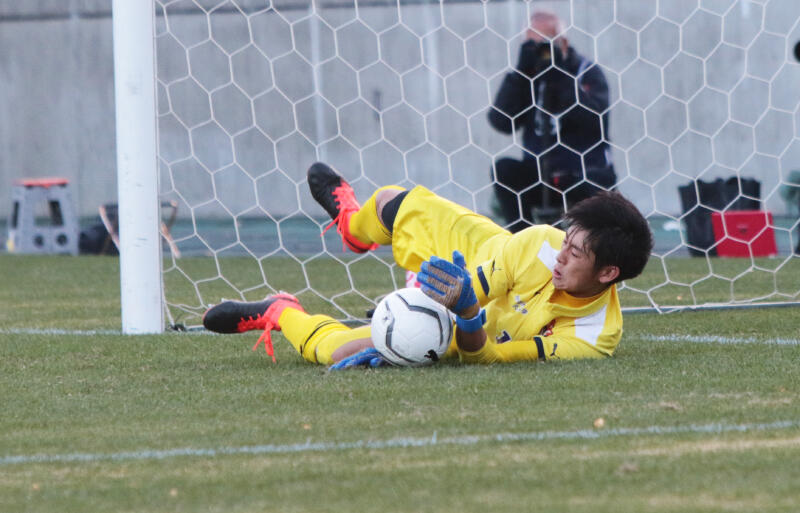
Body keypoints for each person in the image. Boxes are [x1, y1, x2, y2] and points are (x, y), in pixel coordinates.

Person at [202, 162, 653, 368]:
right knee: (391, 204)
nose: (561, 255)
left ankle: (280, 311)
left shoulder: (593, 337)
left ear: (608, 273)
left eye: (575, 254)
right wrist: (441, 297)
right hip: (485, 261)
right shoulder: (538, 244)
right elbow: (468, 286)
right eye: (566, 241)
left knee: (335, 352)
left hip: (471, 326)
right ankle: (352, 228)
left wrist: (466, 316)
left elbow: (487, 355)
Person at [488, 10, 615, 232]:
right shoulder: (526, 77)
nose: (540, 52)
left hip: (583, 171)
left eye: (546, 45)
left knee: (594, 197)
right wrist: (521, 74)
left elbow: (593, 120)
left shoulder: (587, 72)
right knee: (503, 170)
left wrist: (560, 76)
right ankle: (523, 241)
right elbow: (501, 121)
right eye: (532, 45)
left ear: (563, 43)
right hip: (539, 173)